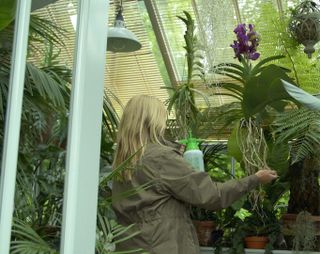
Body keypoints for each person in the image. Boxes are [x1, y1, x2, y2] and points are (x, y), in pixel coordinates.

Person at [111, 95, 278, 254]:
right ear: (153, 122)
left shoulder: (122, 161)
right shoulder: (162, 158)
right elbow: (212, 195)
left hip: (130, 246)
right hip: (161, 246)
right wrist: (255, 179)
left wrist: (175, 153)